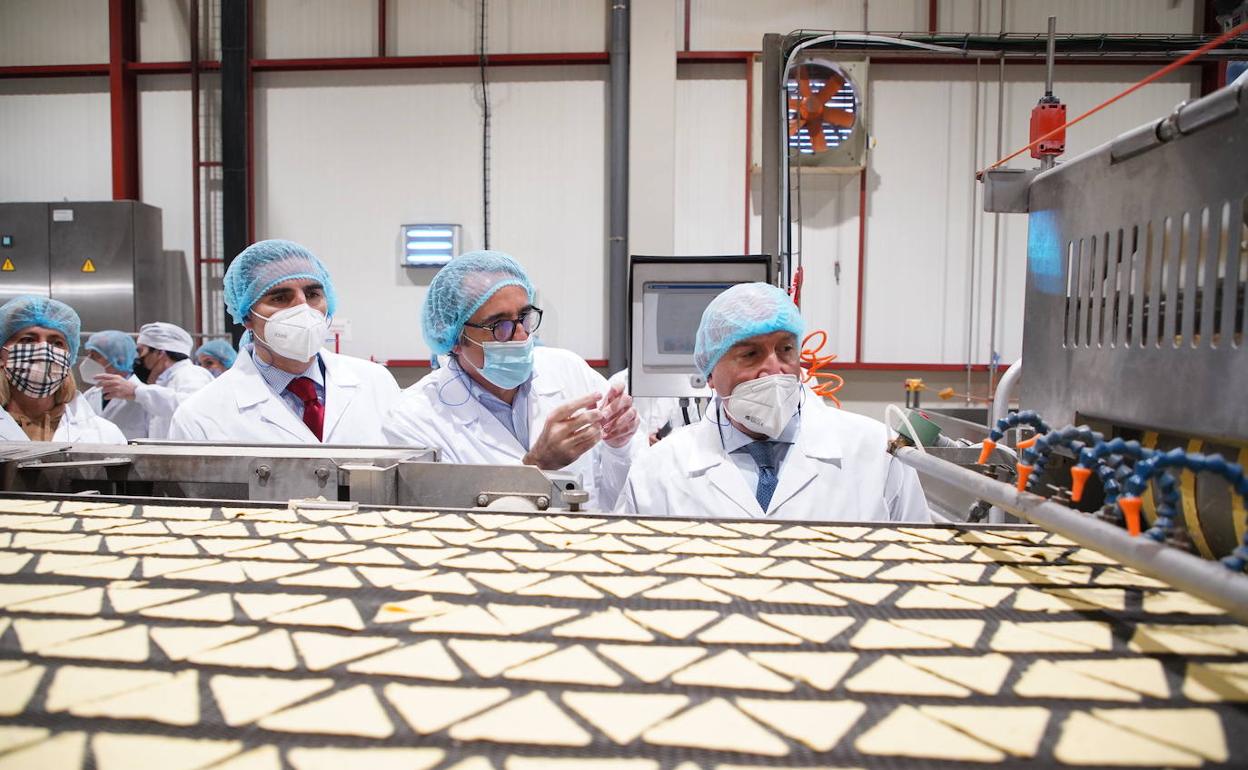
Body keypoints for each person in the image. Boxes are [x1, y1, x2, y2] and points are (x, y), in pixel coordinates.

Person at [615, 282, 930, 521]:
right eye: (750, 354)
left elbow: (919, 567)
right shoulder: (656, 471)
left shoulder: (878, 452)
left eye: (786, 350)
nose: (774, 369)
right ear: (710, 374)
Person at [384, 250, 644, 510]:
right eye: (499, 326)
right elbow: (440, 526)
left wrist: (618, 446)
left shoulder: (568, 370)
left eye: (524, 317)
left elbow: (626, 495)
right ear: (454, 339)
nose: (521, 336)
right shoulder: (413, 418)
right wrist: (536, 467)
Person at [170, 239, 400, 444]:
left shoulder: (376, 383)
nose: (303, 308)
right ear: (246, 316)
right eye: (280, 298)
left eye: (312, 295)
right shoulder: (200, 415)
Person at [0, 296, 126, 443]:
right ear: (2, 355)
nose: (44, 351)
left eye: (57, 343)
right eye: (28, 340)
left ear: (68, 359)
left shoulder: (106, 435)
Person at [94, 322, 214, 439]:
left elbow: (190, 408)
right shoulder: (163, 382)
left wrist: (136, 391)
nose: (137, 358)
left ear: (160, 353)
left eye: (140, 351)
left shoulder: (192, 374)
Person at [80, 330, 149, 440]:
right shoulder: (89, 395)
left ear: (118, 359)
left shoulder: (144, 399)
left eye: (96, 356)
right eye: (89, 355)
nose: (88, 360)